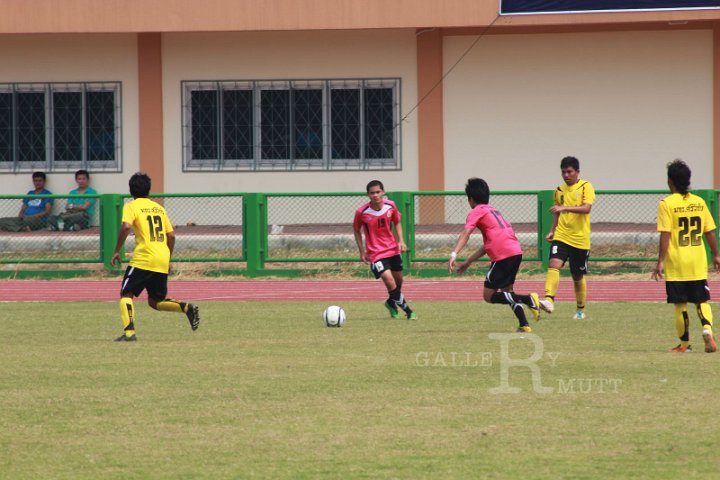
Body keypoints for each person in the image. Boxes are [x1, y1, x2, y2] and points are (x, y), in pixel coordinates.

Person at [110, 172, 200, 341]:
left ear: (131, 190)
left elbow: (126, 226)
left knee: (126, 294)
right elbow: (171, 236)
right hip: (162, 257)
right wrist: (168, 259)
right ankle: (186, 307)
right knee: (155, 301)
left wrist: (116, 250)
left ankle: (129, 334)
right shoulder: (159, 208)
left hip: (144, 258)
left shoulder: (131, 206)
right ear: (148, 190)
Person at [448, 177, 541, 332]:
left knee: (488, 295)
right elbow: (487, 246)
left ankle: (528, 299)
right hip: (515, 252)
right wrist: (468, 262)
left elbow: (466, 233)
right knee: (507, 291)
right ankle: (524, 324)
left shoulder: (476, 212)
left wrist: (453, 254)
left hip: (503, 256)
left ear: (470, 199)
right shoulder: (493, 211)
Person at [651, 160, 720, 353]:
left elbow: (665, 234)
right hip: (697, 261)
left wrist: (660, 261)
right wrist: (716, 255)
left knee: (680, 304)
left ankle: (683, 346)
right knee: (702, 301)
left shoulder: (666, 204)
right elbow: (710, 232)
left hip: (677, 263)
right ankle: (707, 329)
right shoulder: (699, 202)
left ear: (670, 181)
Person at [540, 156, 595, 320]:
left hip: (580, 239)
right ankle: (549, 300)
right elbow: (557, 213)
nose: (566, 175)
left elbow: (586, 209)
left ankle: (580, 309)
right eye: (563, 172)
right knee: (554, 264)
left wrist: (564, 207)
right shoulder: (559, 190)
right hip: (562, 235)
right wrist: (552, 230)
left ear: (577, 172)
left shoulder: (586, 186)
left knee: (577, 276)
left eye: (569, 172)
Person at [353, 180, 417, 320]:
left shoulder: (390, 206)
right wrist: (362, 251)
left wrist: (401, 240)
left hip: (392, 249)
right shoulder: (361, 212)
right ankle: (408, 311)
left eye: (378, 192)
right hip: (375, 253)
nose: (375, 195)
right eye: (372, 193)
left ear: (383, 192)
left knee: (398, 282)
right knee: (389, 280)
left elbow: (397, 221)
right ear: (367, 194)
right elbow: (356, 230)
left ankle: (390, 302)